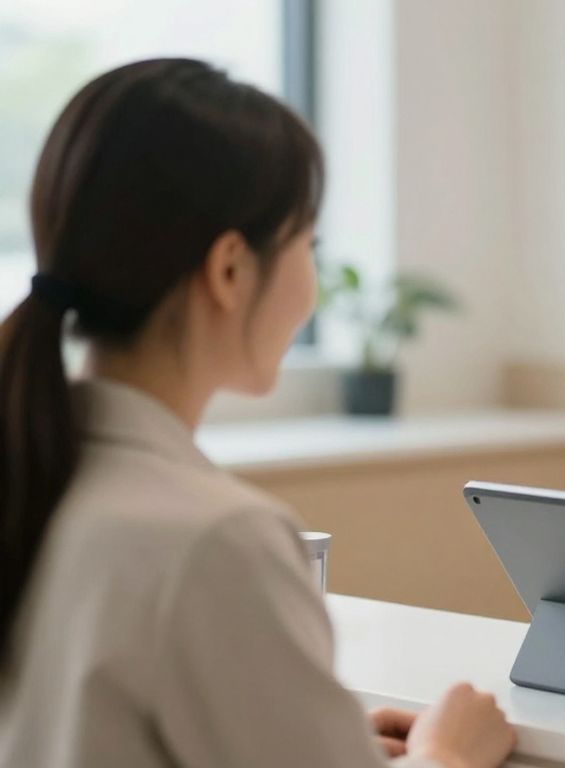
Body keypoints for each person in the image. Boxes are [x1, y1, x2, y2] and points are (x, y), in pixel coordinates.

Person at [0, 59, 516, 767]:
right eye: (308, 245)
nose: (312, 283)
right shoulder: (216, 542)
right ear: (231, 269)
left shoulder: (37, 478)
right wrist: (449, 754)